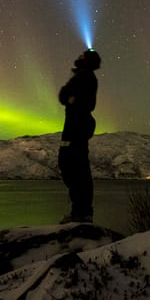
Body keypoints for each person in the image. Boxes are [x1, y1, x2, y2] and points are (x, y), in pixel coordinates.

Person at [57, 48, 101, 223]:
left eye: (82, 56)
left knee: (73, 166)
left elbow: (66, 96)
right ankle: (81, 210)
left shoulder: (85, 77)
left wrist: (70, 98)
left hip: (76, 128)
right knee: (75, 167)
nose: (79, 56)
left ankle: (81, 212)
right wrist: (69, 98)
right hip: (76, 127)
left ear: (87, 61)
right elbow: (66, 97)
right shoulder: (84, 77)